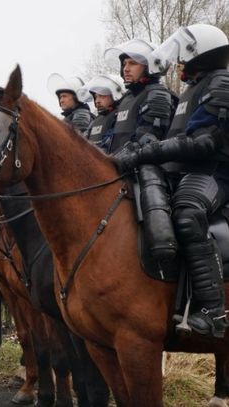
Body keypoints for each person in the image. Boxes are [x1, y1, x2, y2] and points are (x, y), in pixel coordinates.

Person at [116, 24, 229, 338]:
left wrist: (147, 152)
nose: (178, 62)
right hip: (182, 170)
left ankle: (212, 310)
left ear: (200, 54)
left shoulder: (221, 83)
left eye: (183, 56)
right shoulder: (193, 88)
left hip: (213, 172)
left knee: (188, 213)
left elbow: (204, 143)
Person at [103, 39, 175, 154]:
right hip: (116, 165)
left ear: (150, 66)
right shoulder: (126, 98)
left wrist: (116, 160)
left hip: (140, 166)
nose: (125, 69)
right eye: (124, 64)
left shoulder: (157, 94)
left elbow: (147, 140)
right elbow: (109, 138)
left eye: (133, 63)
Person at [78, 74, 125, 153]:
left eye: (102, 96)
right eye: (96, 97)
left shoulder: (120, 116)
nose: (97, 101)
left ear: (115, 95)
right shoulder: (95, 121)